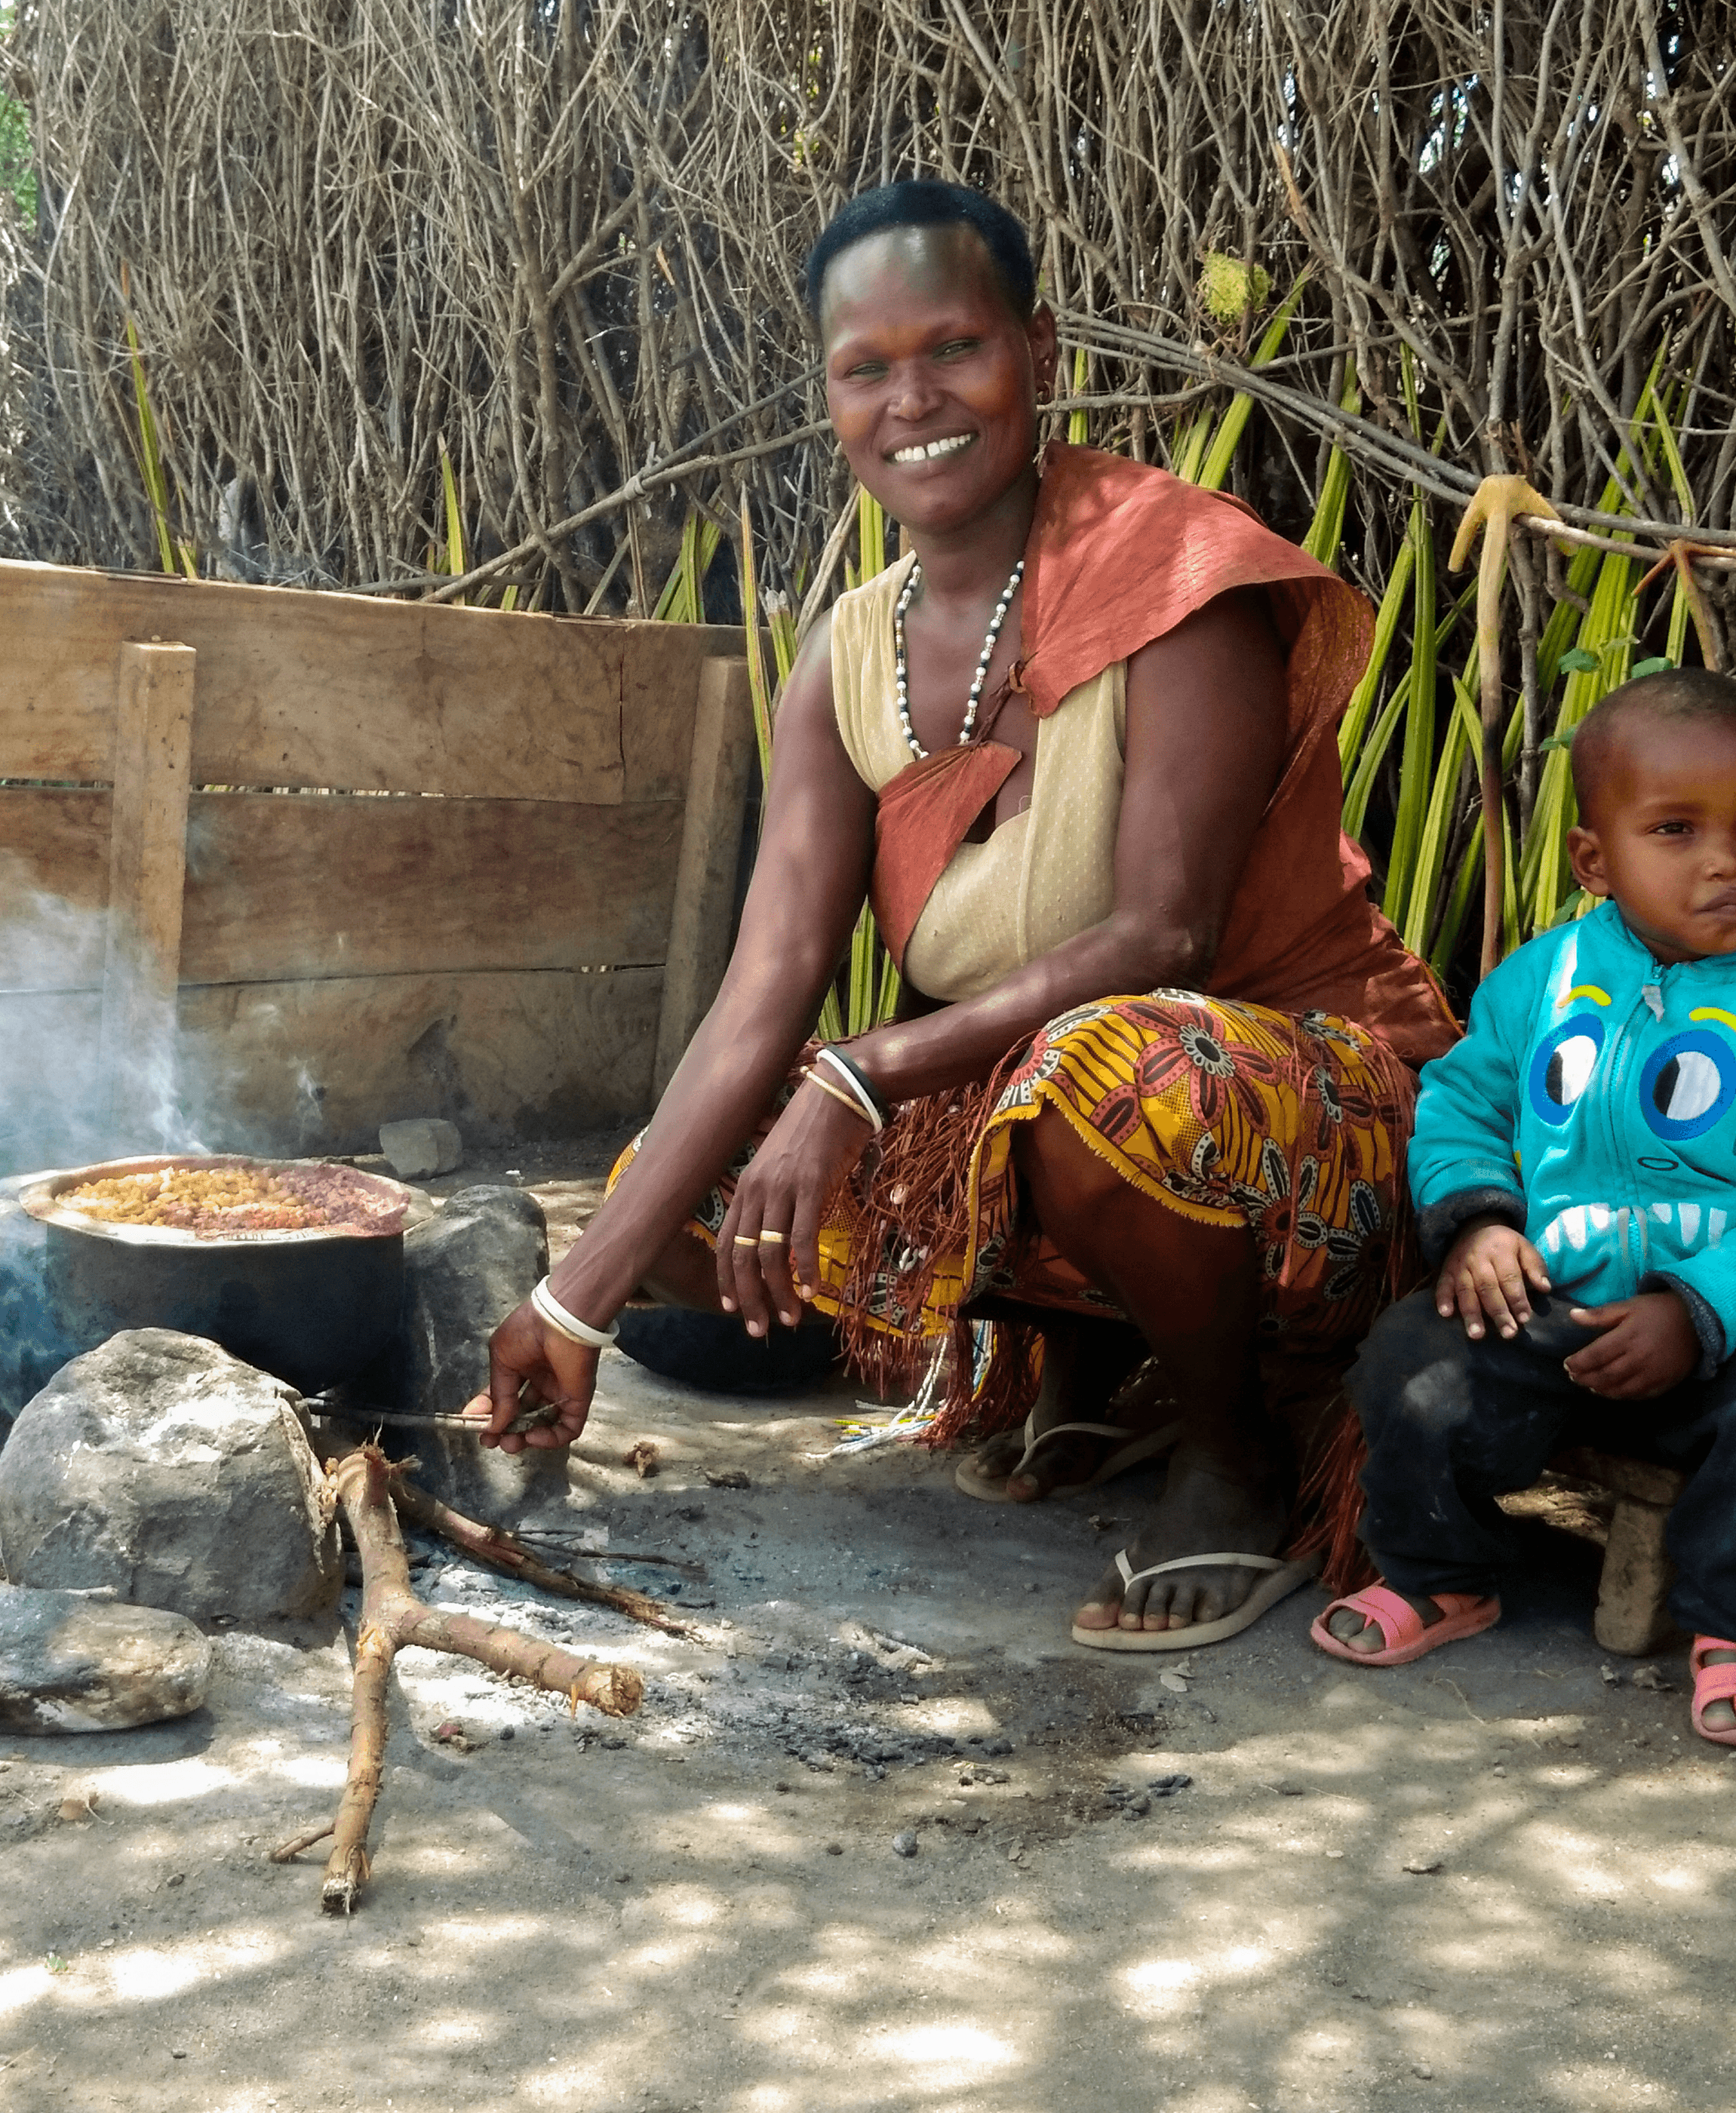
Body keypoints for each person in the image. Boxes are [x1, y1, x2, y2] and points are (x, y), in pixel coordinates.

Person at [469, 178, 1455, 1651]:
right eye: (866, 369)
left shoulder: (1182, 580)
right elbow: (764, 996)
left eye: (955, 351)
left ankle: (1231, 1447)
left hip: (1306, 1120)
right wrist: (574, 1302)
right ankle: (1088, 1369)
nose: (912, 400)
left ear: (1041, 353)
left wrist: (861, 1074)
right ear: (830, 398)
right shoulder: (845, 660)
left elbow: (1159, 941)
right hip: (1034, 1104)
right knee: (676, 1190)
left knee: (1103, 1076)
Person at [1312, 668, 1736, 1747]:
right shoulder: (1543, 979)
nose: (1730, 858)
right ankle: (1445, 1575)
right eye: (1676, 830)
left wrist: (1701, 1306)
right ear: (1596, 860)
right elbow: (1462, 1104)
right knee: (1412, 1353)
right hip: (1556, 1312)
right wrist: (1483, 1223)